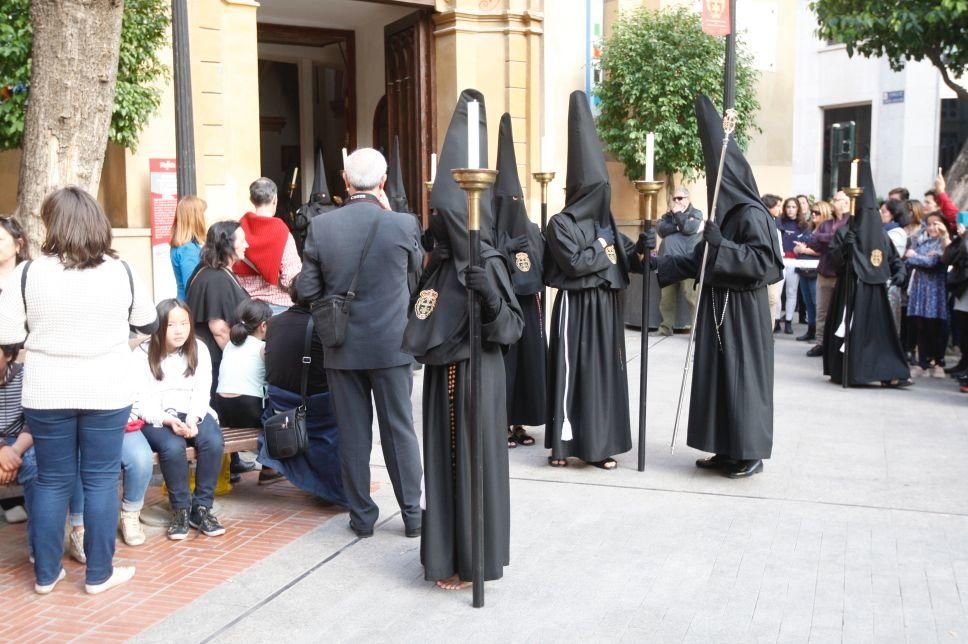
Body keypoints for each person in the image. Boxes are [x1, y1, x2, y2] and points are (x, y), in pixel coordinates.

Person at [0, 186, 158, 595]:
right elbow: (148, 322)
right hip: (106, 387)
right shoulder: (121, 271)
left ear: (52, 224)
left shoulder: (28, 273)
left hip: (47, 390)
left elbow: (8, 336)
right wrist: (116, 343)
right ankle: (99, 574)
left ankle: (46, 575)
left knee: (52, 480)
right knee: (102, 480)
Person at [401, 89, 523, 590]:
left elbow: (511, 328)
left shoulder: (487, 259)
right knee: (445, 466)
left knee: (472, 467)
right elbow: (421, 320)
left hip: (477, 375)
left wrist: (490, 296)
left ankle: (475, 559)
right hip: (440, 382)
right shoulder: (438, 265)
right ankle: (444, 554)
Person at [651, 95, 783, 479]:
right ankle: (726, 448)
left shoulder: (752, 214)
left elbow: (766, 264)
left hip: (743, 311)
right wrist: (658, 263)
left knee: (743, 380)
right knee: (719, 377)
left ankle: (750, 452)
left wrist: (722, 244)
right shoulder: (722, 215)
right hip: (717, 308)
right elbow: (700, 261)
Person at [300, 147, 424, 539]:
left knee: (354, 436)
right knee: (399, 430)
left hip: (342, 347)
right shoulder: (403, 224)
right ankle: (412, 515)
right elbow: (418, 279)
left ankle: (362, 517)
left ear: (345, 181)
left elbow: (307, 288)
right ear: (384, 182)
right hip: (391, 345)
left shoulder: (322, 227)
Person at [543, 90, 640, 471]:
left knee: (602, 376)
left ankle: (599, 445)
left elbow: (626, 257)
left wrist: (644, 248)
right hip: (575, 305)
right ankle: (564, 446)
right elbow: (575, 263)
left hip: (604, 308)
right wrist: (602, 245)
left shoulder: (607, 222)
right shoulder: (561, 223)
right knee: (571, 371)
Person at [136, 299, 225, 540]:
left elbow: (202, 390)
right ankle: (181, 510)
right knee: (172, 446)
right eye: (171, 324)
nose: (179, 330)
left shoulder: (199, 348)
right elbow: (142, 401)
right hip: (157, 416)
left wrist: (194, 419)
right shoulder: (142, 353)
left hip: (193, 410)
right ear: (159, 326)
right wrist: (168, 420)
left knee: (213, 441)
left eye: (184, 323)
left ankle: (202, 508)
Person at [258, 274, 347, 506]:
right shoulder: (324, 325)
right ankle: (334, 488)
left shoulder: (274, 322)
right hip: (314, 405)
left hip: (279, 403)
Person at [822, 160, 910, 387]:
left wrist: (900, 273)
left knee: (879, 336)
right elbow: (834, 260)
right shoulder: (845, 232)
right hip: (850, 290)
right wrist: (845, 248)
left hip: (875, 294)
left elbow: (894, 259)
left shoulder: (880, 235)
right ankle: (848, 372)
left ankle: (884, 371)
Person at [184, 221, 253, 480]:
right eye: (241, 240)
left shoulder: (214, 271)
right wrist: (238, 361)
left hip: (211, 357)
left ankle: (230, 461)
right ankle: (221, 466)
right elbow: (219, 328)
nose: (246, 244)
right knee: (216, 412)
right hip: (214, 358)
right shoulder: (214, 278)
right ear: (227, 245)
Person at [492, 113, 546, 448]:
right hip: (500, 308)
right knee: (504, 367)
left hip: (528, 307)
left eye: (516, 201)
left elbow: (542, 263)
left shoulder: (532, 229)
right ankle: (499, 422)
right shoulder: (491, 230)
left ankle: (519, 423)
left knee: (527, 366)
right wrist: (504, 248)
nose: (512, 206)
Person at [216, 298, 281, 485]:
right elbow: (274, 377)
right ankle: (269, 468)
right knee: (278, 406)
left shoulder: (229, 345)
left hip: (223, 409)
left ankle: (233, 467)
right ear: (263, 325)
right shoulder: (262, 348)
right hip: (248, 411)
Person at [233, 178, 303, 312]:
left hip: (247, 307)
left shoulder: (239, 229)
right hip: (278, 306)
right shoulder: (281, 231)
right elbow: (290, 277)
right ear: (275, 199)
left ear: (252, 199)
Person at [0, 216, 28, 524]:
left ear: (18, 244)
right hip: (2, 361)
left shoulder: (29, 276)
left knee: (20, 421)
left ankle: (17, 497)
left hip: (27, 359)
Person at [904, 212, 950, 377]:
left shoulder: (944, 243)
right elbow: (907, 259)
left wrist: (916, 256)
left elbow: (933, 262)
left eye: (935, 224)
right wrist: (919, 257)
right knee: (920, 325)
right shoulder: (922, 241)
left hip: (935, 290)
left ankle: (938, 362)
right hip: (919, 289)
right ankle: (922, 363)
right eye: (929, 224)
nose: (931, 227)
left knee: (935, 325)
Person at [805, 190, 850, 357]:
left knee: (840, 311)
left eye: (836, 199)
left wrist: (822, 237)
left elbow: (841, 239)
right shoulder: (826, 223)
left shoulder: (850, 222)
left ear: (846, 202)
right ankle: (821, 343)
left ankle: (836, 344)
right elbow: (813, 242)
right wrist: (828, 237)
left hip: (840, 274)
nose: (833, 201)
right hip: (824, 272)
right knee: (822, 310)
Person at [0, 342, 34, 558]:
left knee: (37, 465)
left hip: (19, 440)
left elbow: (34, 421)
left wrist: (13, 452)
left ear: (9, 356)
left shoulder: (24, 377)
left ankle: (39, 549)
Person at [656, 186, 702, 336]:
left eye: (680, 198)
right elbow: (661, 229)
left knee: (691, 297)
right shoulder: (667, 216)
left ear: (687, 199)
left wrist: (678, 216)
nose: (676, 201)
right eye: (674, 198)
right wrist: (678, 224)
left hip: (688, 261)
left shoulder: (696, 213)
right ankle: (665, 328)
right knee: (666, 299)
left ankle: (698, 331)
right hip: (669, 261)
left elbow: (689, 228)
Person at [792, 201, 829, 342]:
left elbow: (824, 250)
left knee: (817, 304)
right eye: (812, 211)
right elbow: (800, 245)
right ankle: (811, 330)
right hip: (803, 269)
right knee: (808, 303)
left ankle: (820, 334)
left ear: (824, 213)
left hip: (816, 271)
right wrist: (798, 249)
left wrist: (805, 250)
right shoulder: (809, 229)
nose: (813, 214)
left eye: (817, 212)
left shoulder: (826, 230)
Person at [776, 197, 809, 334]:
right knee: (777, 293)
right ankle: (776, 320)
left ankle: (788, 321)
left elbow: (807, 242)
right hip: (781, 260)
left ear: (798, 209)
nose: (790, 209)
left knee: (792, 291)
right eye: (788, 207)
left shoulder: (803, 225)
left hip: (795, 261)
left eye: (793, 207)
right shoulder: (779, 223)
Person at [169, 196, 207, 301]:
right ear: (196, 218)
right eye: (202, 214)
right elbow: (193, 288)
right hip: (192, 308)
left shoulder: (183, 245)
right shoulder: (187, 249)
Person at [762, 194, 785, 331]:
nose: (779, 209)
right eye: (777, 206)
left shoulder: (775, 224)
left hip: (775, 267)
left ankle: (768, 332)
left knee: (773, 300)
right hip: (767, 267)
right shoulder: (763, 223)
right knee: (770, 299)